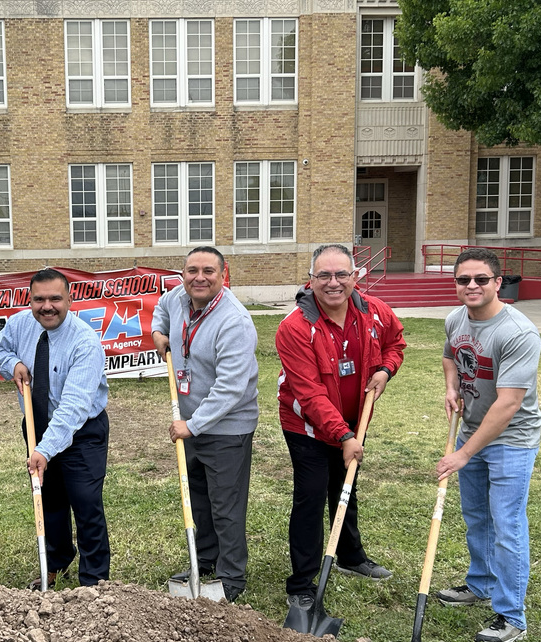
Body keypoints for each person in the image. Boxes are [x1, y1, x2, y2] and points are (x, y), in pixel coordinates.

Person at [276, 244, 406, 613]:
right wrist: (345, 437)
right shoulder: (296, 328)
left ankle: (350, 556)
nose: (333, 283)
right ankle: (301, 581)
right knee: (312, 495)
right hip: (307, 426)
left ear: (355, 276)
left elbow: (395, 343)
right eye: (324, 276)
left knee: (345, 488)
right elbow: (310, 394)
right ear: (311, 280)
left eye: (341, 275)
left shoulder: (374, 312)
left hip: (354, 420)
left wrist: (385, 369)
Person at [435, 247, 541, 642]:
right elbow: (451, 355)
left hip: (511, 439)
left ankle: (511, 615)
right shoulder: (455, 318)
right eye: (464, 280)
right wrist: (450, 387)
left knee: (506, 525)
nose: (472, 286)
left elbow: (509, 403)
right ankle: (480, 584)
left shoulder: (517, 332)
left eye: (481, 279)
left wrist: (463, 454)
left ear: (498, 283)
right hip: (472, 430)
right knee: (477, 516)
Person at [0, 268, 110, 588]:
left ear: (70, 299)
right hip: (36, 424)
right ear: (30, 300)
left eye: (56, 298)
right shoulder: (20, 324)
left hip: (81, 432)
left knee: (85, 501)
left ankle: (94, 582)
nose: (47, 306)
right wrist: (12, 364)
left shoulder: (84, 342)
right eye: (39, 299)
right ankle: (56, 560)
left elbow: (73, 408)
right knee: (48, 497)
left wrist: (45, 449)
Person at [151, 247, 259, 604]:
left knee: (225, 504)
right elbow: (160, 311)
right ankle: (207, 560)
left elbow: (230, 388)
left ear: (223, 275)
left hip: (226, 427)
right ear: (182, 274)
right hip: (192, 423)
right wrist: (158, 334)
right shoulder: (178, 300)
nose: (200, 277)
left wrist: (191, 426)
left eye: (209, 271)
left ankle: (231, 576)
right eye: (192, 270)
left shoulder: (234, 322)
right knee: (200, 500)